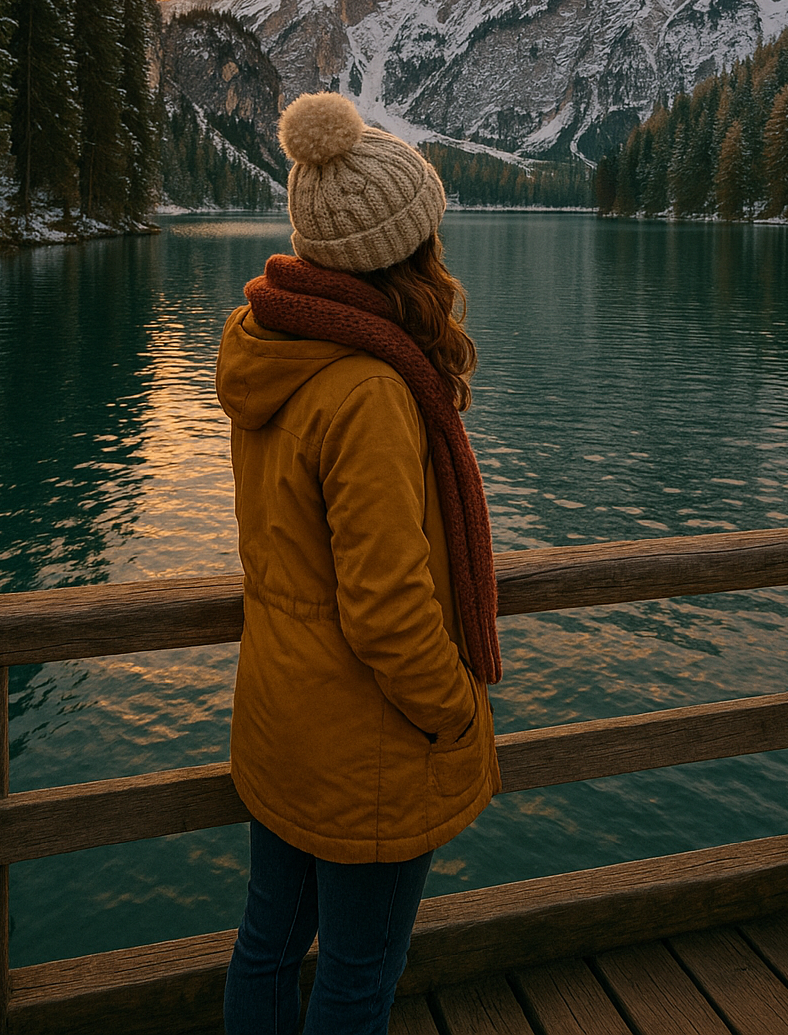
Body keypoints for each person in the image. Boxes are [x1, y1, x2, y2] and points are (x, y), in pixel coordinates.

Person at [216, 91, 502, 1035]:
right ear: (404, 250)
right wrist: (455, 711)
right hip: (366, 743)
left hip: (281, 715)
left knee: (266, 945)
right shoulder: (371, 389)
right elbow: (386, 608)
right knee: (355, 976)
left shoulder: (275, 345)